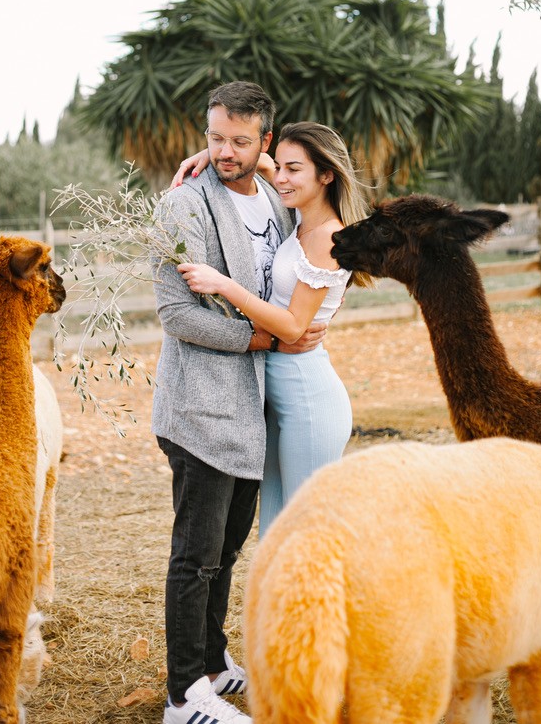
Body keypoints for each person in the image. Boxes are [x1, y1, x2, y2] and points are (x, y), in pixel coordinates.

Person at [151, 81, 328, 724]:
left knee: (225, 551)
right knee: (194, 556)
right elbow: (176, 314)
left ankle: (212, 663)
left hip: (250, 412)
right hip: (198, 407)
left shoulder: (278, 206)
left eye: (240, 141)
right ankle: (182, 697)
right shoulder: (183, 206)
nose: (224, 151)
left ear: (265, 143)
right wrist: (256, 335)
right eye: (215, 137)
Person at [174, 120, 373, 536]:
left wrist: (223, 284)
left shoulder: (328, 236)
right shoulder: (299, 218)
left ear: (326, 174)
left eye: (293, 169)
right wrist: (205, 157)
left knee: (306, 534)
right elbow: (256, 161)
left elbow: (294, 326)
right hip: (277, 392)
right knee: (276, 531)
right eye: (278, 167)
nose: (280, 177)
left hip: (308, 399)